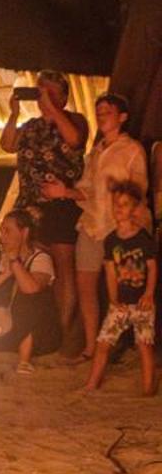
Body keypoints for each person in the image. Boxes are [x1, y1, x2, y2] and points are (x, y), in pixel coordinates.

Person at [1, 71, 88, 359]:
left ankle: (64, 333)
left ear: (62, 96)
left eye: (50, 92)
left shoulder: (75, 120)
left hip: (61, 204)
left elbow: (74, 140)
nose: (43, 97)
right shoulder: (31, 126)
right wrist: (13, 114)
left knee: (63, 269)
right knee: (32, 266)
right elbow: (7, 144)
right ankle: (34, 332)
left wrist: (53, 109)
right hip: (29, 205)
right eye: (41, 92)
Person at [55, 92, 148, 350]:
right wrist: (65, 192)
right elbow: (86, 189)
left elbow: (138, 191)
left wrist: (131, 225)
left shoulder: (132, 150)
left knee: (120, 289)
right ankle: (91, 346)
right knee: (86, 285)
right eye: (99, 113)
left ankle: (121, 344)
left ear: (122, 117)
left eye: (107, 112)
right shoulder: (95, 153)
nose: (101, 117)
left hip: (119, 226)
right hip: (93, 224)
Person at [84, 181, 156, 395]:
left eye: (124, 204)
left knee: (144, 345)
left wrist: (149, 293)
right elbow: (110, 273)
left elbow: (152, 268)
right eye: (116, 204)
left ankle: (147, 389)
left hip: (142, 302)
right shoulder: (111, 240)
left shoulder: (143, 239)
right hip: (121, 303)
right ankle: (91, 384)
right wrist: (114, 300)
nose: (118, 208)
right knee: (104, 342)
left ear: (134, 208)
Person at [0, 210, 57, 372]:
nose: (2, 236)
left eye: (8, 230)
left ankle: (24, 360)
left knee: (29, 296)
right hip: (1, 327)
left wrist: (14, 263)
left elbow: (32, 288)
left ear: (24, 232)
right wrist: (6, 273)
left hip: (37, 334)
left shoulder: (41, 259)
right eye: (1, 230)